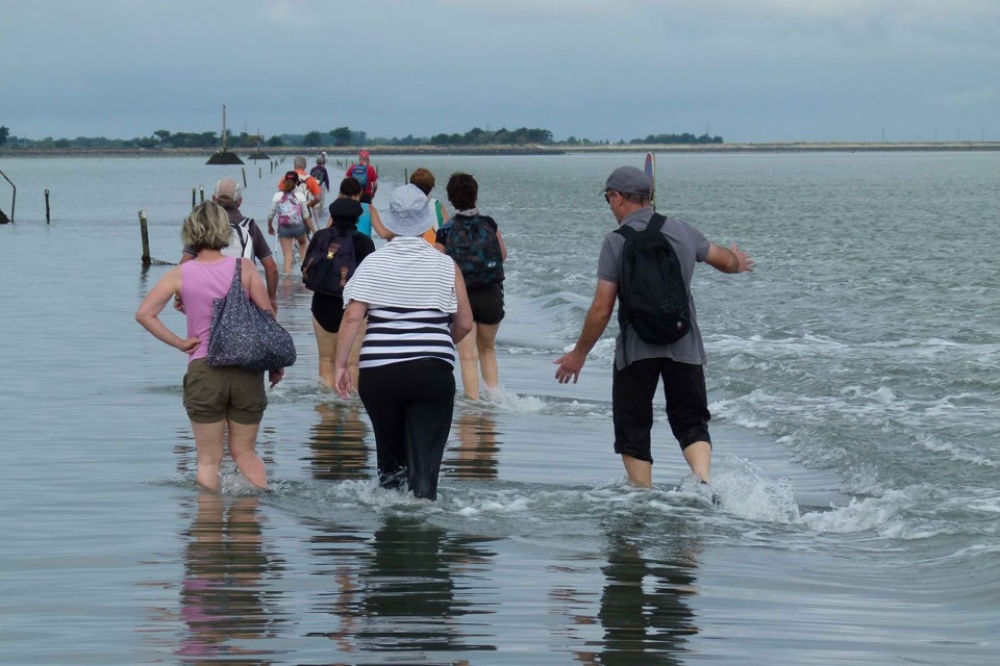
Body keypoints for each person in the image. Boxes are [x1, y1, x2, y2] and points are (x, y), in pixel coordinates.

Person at [553, 166, 754, 488]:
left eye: (608, 199)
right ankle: (702, 480)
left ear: (618, 197)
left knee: (633, 426)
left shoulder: (616, 241)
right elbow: (726, 261)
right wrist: (738, 263)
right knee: (691, 420)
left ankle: (643, 498)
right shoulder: (683, 231)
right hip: (683, 344)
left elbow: (602, 307)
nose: (609, 206)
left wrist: (579, 353)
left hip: (637, 350)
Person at [335, 184, 473, 500]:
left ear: (391, 221)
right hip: (431, 371)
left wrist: (341, 364)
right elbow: (464, 323)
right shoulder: (445, 264)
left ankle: (391, 525)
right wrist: (438, 344)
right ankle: (423, 513)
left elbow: (353, 317)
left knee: (390, 461)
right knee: (424, 469)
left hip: (379, 373)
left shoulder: (373, 262)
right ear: (426, 220)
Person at [136, 201, 284, 491]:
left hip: (204, 368)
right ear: (223, 231)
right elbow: (268, 318)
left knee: (208, 461)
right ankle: (252, 524)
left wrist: (180, 343)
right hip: (246, 368)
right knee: (246, 453)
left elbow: (144, 314)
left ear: (190, 232)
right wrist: (274, 364)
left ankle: (208, 530)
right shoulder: (245, 268)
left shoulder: (180, 273)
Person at [434, 172, 507, 401]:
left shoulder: (445, 230)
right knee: (487, 349)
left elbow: (438, 266)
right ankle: (493, 399)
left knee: (467, 357)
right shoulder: (489, 223)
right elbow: (502, 255)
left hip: (460, 296)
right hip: (490, 293)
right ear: (475, 194)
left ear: (451, 198)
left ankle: (474, 405)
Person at [178, 178, 278, 313]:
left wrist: (180, 297)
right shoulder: (249, 227)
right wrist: (271, 298)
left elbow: (184, 264)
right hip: (243, 295)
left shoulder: (203, 227)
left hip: (210, 296)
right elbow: (271, 267)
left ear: (214, 199)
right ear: (240, 202)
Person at [306, 197, 376, 390]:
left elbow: (308, 268)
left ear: (332, 215)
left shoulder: (320, 237)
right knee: (353, 364)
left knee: (327, 360)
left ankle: (327, 414)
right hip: (354, 306)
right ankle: (352, 415)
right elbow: (371, 278)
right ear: (357, 218)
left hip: (321, 305)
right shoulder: (364, 242)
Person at [267, 170, 316, 276]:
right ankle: (305, 273)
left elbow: (271, 213)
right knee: (303, 244)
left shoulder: (278, 196)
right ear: (297, 182)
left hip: (284, 229)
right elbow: (306, 216)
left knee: (287, 256)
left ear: (284, 181)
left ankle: (287, 282)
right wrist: (314, 231)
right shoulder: (300, 196)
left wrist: (270, 226)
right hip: (298, 228)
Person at [409, 167, 450, 244]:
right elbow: (446, 231)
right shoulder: (439, 206)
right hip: (434, 249)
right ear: (431, 187)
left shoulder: (406, 207)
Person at [310, 152, 332, 230]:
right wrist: (328, 187)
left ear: (316, 162)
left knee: (315, 198)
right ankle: (320, 211)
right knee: (322, 199)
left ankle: (315, 210)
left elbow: (309, 178)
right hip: (322, 185)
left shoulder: (313, 169)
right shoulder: (323, 169)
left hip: (314, 186)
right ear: (322, 162)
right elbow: (326, 178)